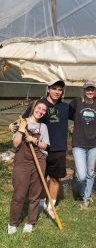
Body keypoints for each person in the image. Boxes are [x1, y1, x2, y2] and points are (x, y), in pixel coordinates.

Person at [21, 79, 73, 218]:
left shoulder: (65, 107)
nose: (57, 91)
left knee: (55, 179)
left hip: (59, 148)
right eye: (54, 88)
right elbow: (25, 120)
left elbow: (80, 119)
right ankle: (41, 203)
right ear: (48, 89)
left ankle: (51, 206)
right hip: (41, 147)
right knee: (40, 178)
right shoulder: (39, 105)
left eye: (60, 89)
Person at [8, 100, 50, 234]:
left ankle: (30, 221)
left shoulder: (43, 127)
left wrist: (34, 141)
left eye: (44, 110)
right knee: (19, 194)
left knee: (35, 193)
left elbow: (45, 146)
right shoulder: (21, 121)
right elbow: (16, 144)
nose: (41, 111)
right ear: (33, 108)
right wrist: (21, 129)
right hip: (22, 161)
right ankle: (13, 222)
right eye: (39, 108)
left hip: (39, 159)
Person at [70, 81, 96, 209]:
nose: (90, 92)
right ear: (83, 91)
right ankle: (83, 192)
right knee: (81, 175)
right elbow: (68, 114)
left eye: (92, 90)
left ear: (95, 91)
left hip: (94, 143)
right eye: (87, 90)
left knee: (90, 172)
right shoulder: (76, 102)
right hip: (78, 143)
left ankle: (86, 198)